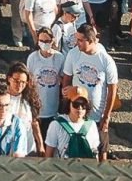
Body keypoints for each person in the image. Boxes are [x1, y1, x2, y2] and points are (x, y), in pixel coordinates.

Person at [61, 24, 117, 161]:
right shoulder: (73, 54)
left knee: (101, 149)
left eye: (80, 40)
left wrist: (107, 116)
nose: (76, 43)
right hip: (76, 113)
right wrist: (65, 95)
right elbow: (67, 78)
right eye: (76, 39)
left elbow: (112, 90)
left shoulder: (106, 60)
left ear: (91, 41)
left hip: (97, 116)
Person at [25, 28, 66, 139]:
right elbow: (28, 82)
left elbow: (63, 80)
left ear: (52, 40)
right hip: (37, 108)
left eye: (47, 41)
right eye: (41, 41)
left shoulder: (60, 58)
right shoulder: (32, 58)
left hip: (53, 107)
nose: (44, 44)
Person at [44, 85, 100, 159]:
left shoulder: (92, 125)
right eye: (76, 104)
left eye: (83, 105)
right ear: (68, 104)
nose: (80, 108)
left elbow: (95, 153)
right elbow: (49, 154)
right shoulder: (56, 124)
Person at [4, 61, 44, 155]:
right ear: (9, 78)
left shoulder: (29, 98)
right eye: (16, 81)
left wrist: (40, 144)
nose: (20, 85)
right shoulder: (1, 98)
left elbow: (34, 122)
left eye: (23, 82)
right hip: (7, 149)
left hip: (28, 148)